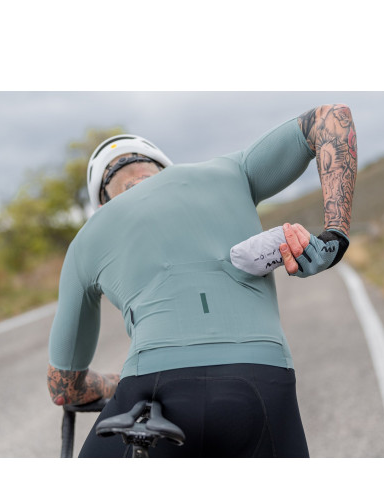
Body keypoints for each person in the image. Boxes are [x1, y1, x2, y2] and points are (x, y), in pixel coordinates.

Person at [47, 103, 357, 457]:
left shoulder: (89, 235)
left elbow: (63, 388)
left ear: (102, 203)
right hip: (262, 384)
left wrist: (111, 384)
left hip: (152, 393)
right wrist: (335, 236)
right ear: (164, 168)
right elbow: (331, 117)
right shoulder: (230, 172)